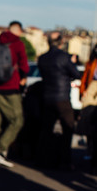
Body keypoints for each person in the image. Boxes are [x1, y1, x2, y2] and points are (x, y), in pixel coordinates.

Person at [0, 20, 29, 168]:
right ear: (18, 31)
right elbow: (24, 65)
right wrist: (23, 77)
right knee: (17, 120)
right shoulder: (18, 44)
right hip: (11, 86)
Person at [37, 31, 81, 169]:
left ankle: (44, 159)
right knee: (67, 129)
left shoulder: (42, 58)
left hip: (47, 97)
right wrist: (72, 63)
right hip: (62, 98)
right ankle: (65, 161)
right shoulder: (63, 57)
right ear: (61, 42)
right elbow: (76, 74)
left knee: (46, 130)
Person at [79, 44, 97, 173]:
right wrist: (83, 92)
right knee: (90, 122)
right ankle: (91, 152)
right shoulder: (91, 63)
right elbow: (85, 78)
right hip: (91, 92)